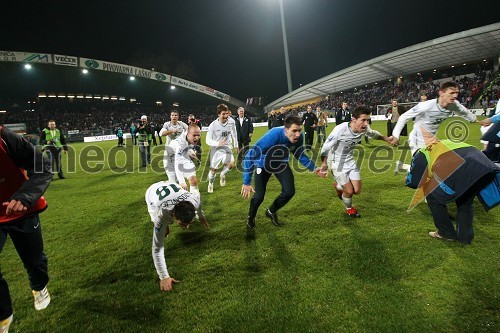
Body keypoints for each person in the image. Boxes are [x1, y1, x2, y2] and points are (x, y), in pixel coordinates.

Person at [0, 127, 53, 332]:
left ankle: (39, 287)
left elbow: (42, 165)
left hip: (21, 209)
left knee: (34, 260)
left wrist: (25, 197)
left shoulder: (5, 138)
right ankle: (4, 313)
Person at [405, 139, 499, 244]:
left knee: (432, 196)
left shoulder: (421, 154)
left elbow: (414, 182)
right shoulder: (440, 144)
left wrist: (409, 179)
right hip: (483, 164)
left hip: (463, 165)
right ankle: (465, 237)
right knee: (465, 200)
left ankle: (446, 233)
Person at [241, 115, 326, 229]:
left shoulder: (299, 138)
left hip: (280, 163)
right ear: (286, 130)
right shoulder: (273, 135)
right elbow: (250, 156)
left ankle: (271, 211)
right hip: (263, 163)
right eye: (294, 131)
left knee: (289, 191)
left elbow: (299, 154)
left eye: (299, 130)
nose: (297, 134)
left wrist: (314, 168)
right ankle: (251, 217)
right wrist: (246, 182)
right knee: (259, 196)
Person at [320, 106, 393, 218]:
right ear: (353, 119)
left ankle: (338, 186)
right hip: (336, 162)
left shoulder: (364, 129)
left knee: (357, 190)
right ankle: (349, 209)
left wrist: (386, 139)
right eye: (363, 120)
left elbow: (373, 134)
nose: (366, 123)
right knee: (349, 191)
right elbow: (325, 147)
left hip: (350, 161)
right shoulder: (340, 129)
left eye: (367, 120)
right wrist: (324, 165)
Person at [390, 81, 478, 170]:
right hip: (417, 139)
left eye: (456, 93)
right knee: (427, 168)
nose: (455, 96)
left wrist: (476, 120)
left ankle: (403, 167)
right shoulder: (426, 106)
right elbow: (404, 117)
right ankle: (409, 171)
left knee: (434, 167)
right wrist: (396, 136)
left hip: (431, 140)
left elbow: (464, 112)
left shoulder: (454, 105)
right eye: (451, 93)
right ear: (441, 93)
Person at [145, 181, 208, 292]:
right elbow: (157, 248)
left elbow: (198, 208)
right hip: (152, 192)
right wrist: (164, 276)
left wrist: (201, 217)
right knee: (162, 231)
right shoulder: (163, 214)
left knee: (164, 227)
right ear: (173, 215)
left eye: (189, 223)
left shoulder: (194, 200)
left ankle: (166, 226)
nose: (187, 227)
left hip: (169, 184)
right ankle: (165, 227)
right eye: (183, 224)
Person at [206, 104, 238, 193]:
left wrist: (236, 145)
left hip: (227, 147)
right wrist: (217, 143)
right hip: (216, 150)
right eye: (223, 114)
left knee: (231, 164)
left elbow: (234, 134)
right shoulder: (213, 125)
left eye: (227, 114)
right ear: (218, 114)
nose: (226, 116)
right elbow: (207, 140)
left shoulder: (231, 122)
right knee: (213, 172)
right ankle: (210, 184)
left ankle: (222, 174)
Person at [164, 125, 202, 199]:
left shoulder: (189, 138)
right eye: (194, 135)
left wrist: (190, 152)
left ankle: (195, 204)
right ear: (187, 134)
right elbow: (178, 163)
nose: (197, 137)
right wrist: (182, 181)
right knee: (175, 188)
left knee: (193, 180)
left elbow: (187, 147)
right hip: (170, 161)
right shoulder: (180, 143)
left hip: (183, 157)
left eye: (198, 135)